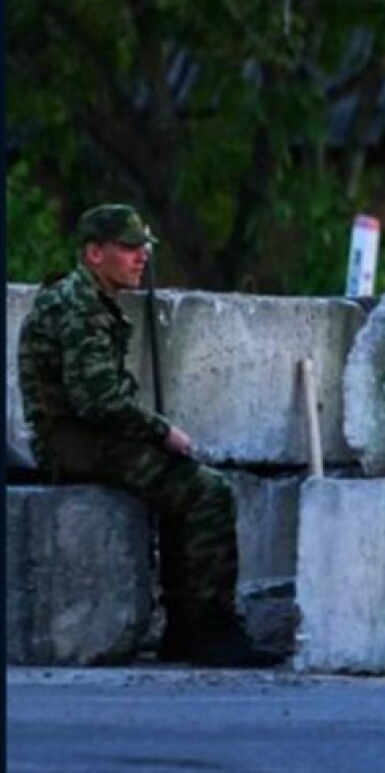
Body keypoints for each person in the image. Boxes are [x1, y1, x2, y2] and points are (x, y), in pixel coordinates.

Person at [16, 205, 281, 667]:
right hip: (75, 446)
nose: (141, 258)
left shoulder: (88, 300)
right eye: (129, 248)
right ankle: (209, 627)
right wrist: (162, 432)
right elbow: (95, 400)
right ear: (94, 253)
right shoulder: (77, 307)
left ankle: (188, 628)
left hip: (86, 439)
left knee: (185, 487)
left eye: (144, 248)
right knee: (207, 491)